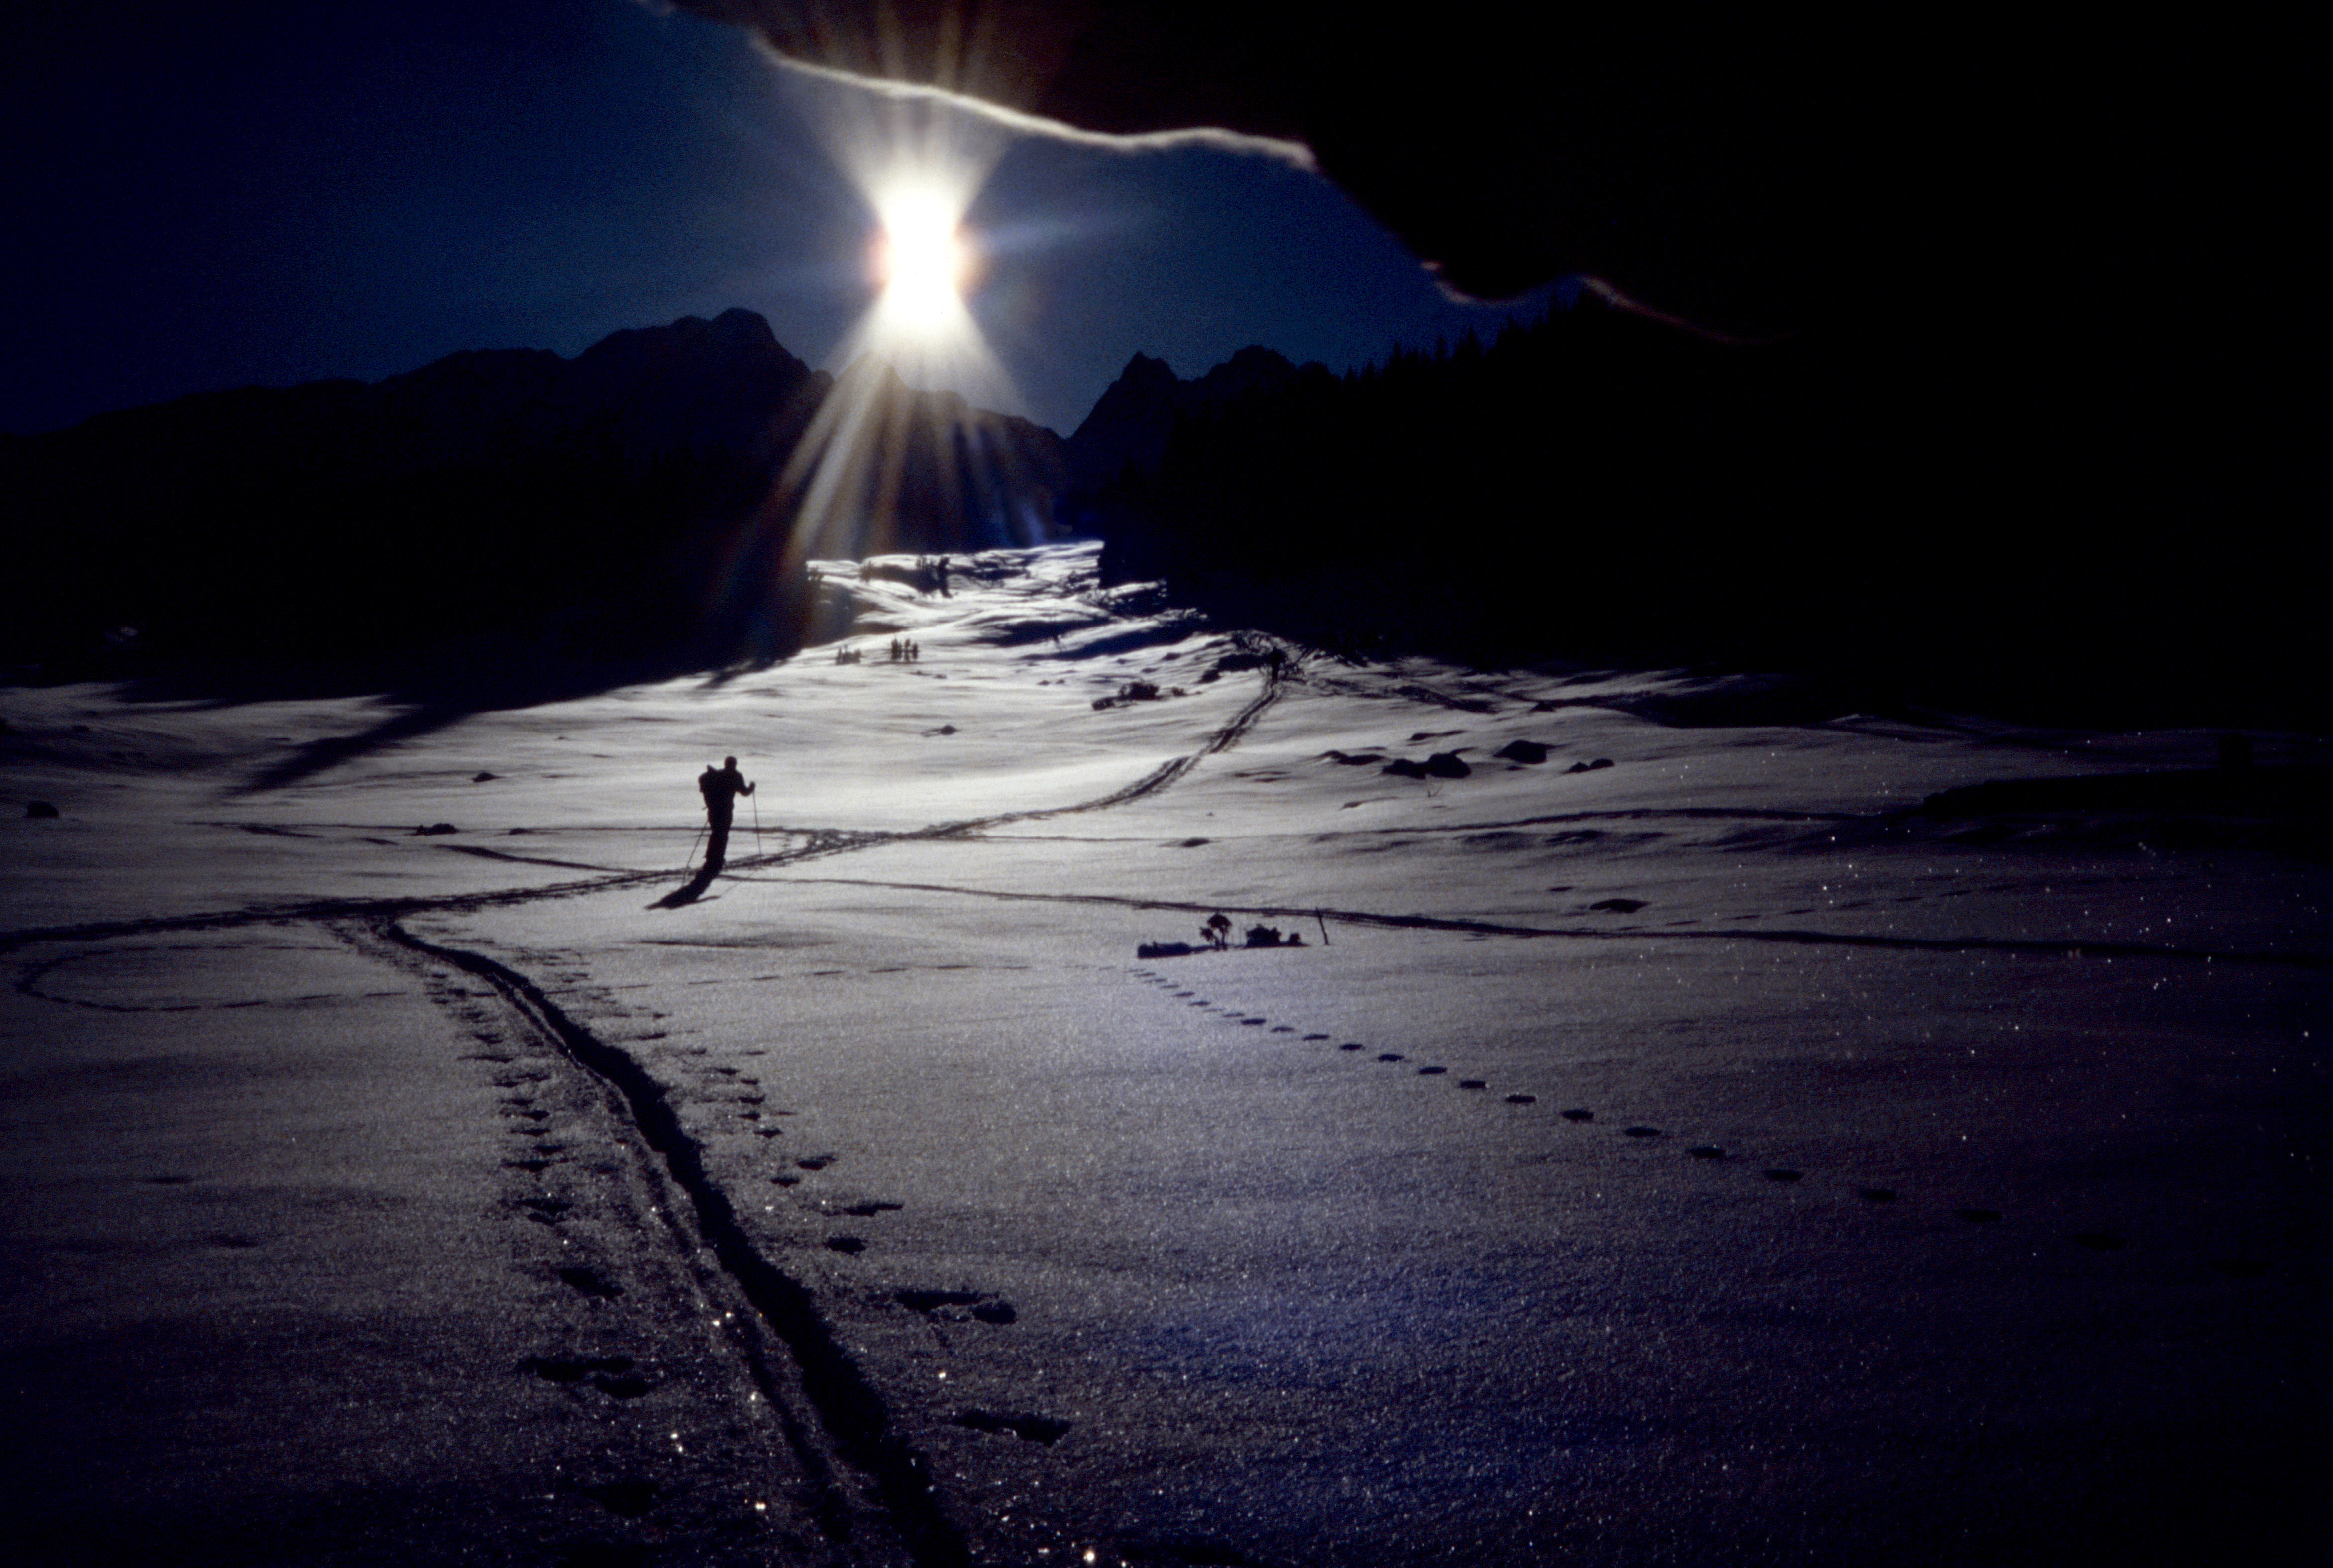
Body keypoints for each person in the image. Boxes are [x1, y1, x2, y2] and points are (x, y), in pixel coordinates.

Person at [696, 756, 755, 872]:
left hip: (713, 809)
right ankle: (717, 859)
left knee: (716, 833)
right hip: (726, 810)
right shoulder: (735, 776)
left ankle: (711, 858)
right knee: (722, 834)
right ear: (735, 764)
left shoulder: (717, 775)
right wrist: (752, 787)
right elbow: (745, 792)